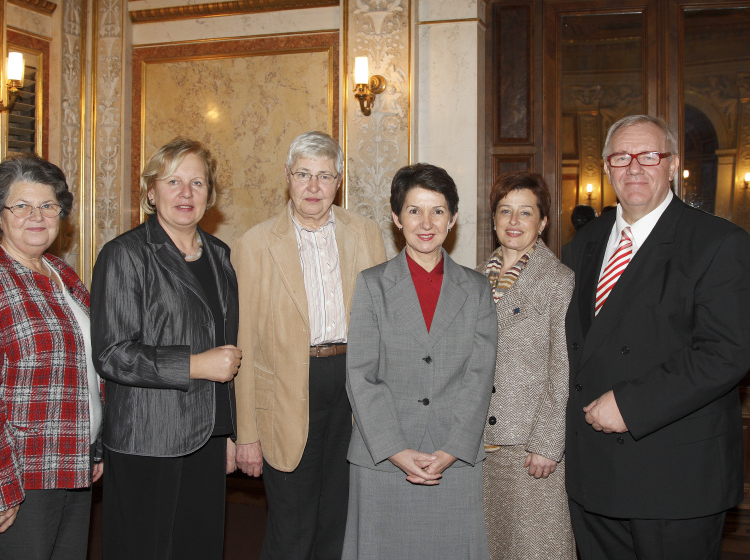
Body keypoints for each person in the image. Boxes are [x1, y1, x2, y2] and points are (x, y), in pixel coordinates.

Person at [564, 114, 750, 560]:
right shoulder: (581, 245)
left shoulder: (718, 242)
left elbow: (727, 352)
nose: (634, 168)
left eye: (649, 156)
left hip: (673, 476)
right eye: (621, 157)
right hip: (593, 473)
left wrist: (630, 405)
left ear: (673, 165)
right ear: (606, 167)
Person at [232, 130, 386, 560]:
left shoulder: (366, 233)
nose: (314, 187)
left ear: (339, 181)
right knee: (292, 526)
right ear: (287, 177)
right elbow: (243, 340)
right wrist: (246, 433)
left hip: (352, 387)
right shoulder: (256, 243)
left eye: (324, 176)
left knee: (338, 519)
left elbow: (382, 325)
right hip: (285, 392)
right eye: (303, 174)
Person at [90, 138, 240, 559]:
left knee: (200, 546)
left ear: (210, 194)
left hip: (208, 436)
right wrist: (194, 365)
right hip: (148, 437)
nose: (186, 193)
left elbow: (228, 350)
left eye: (197, 182)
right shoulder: (125, 254)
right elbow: (112, 353)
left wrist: (229, 431)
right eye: (173, 181)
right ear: (151, 192)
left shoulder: (219, 255)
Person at [0, 155, 103, 559]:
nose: (37, 216)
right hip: (18, 475)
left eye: (48, 206)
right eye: (22, 206)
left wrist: (94, 446)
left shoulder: (62, 274)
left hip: (71, 463)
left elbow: (85, 369)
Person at [343, 163, 497, 559]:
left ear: (454, 218)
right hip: (383, 457)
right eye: (414, 210)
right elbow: (361, 376)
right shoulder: (372, 284)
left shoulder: (476, 288)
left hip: (454, 457)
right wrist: (395, 449)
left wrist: (452, 449)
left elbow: (479, 377)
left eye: (438, 211)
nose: (426, 223)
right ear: (396, 218)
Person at [479, 171, 575, 560]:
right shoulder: (474, 279)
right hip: (479, 444)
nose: (514, 222)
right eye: (505, 211)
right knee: (491, 547)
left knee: (538, 548)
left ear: (543, 221)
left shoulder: (558, 281)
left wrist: (547, 444)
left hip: (529, 447)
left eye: (525, 212)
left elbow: (563, 368)